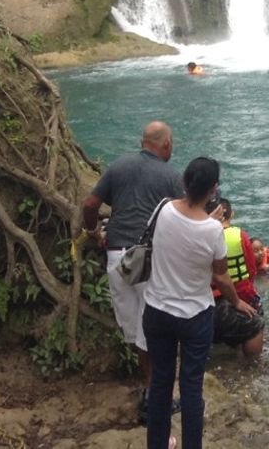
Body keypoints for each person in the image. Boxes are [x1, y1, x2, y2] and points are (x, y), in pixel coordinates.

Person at [143, 156, 255, 449]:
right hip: (194, 317)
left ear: (184, 181)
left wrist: (209, 223)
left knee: (161, 384)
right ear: (213, 189)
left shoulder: (164, 209)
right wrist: (237, 303)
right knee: (191, 388)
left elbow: (176, 235)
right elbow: (221, 277)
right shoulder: (212, 231)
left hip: (156, 310)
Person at [82, 121, 184, 423]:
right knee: (155, 327)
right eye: (172, 143)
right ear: (165, 145)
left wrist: (93, 232)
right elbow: (185, 217)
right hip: (148, 259)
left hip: (117, 258)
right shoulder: (171, 176)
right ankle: (156, 395)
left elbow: (90, 203)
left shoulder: (119, 166)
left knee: (133, 326)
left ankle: (149, 388)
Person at [210, 198, 265, 357]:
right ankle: (252, 363)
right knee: (257, 319)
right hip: (240, 293)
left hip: (210, 296)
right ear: (231, 214)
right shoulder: (240, 235)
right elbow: (251, 269)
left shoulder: (202, 233)